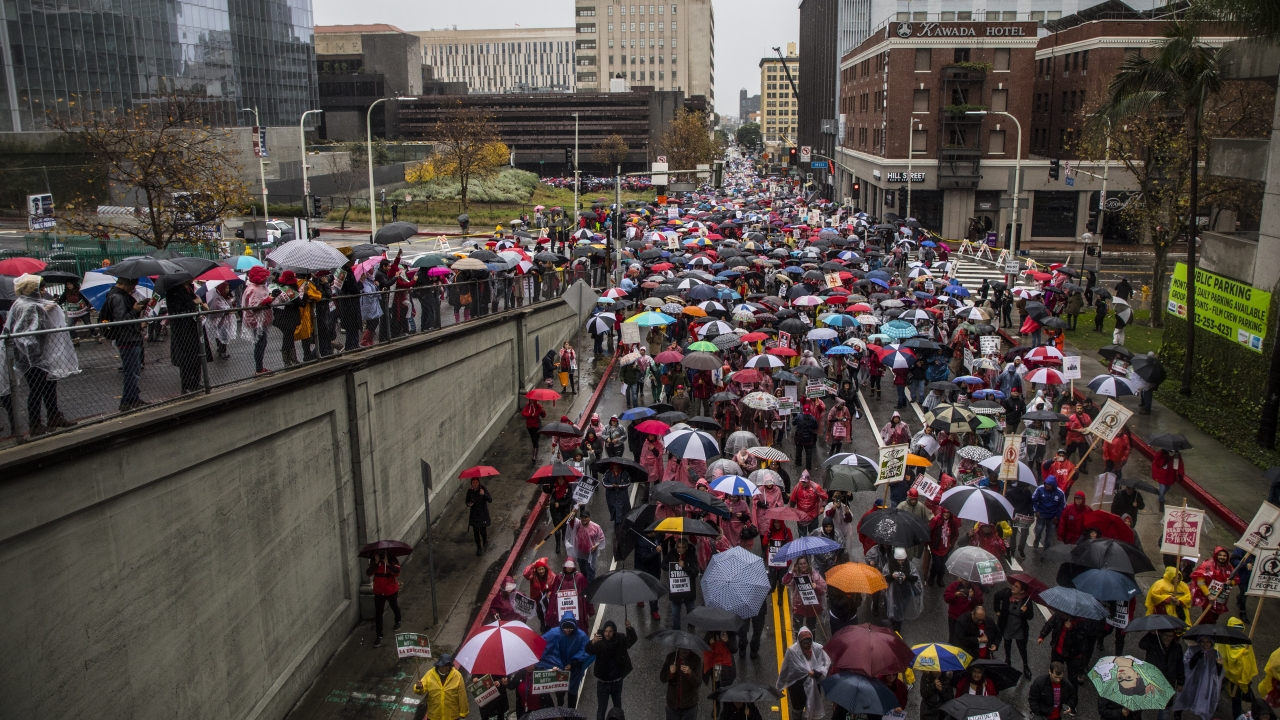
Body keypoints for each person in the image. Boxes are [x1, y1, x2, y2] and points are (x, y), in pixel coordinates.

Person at [4, 274, 76, 433]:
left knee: (50, 384)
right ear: (32, 290)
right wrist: (43, 311)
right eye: (41, 288)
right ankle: (35, 423)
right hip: (32, 357)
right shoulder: (29, 306)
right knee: (37, 389)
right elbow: (30, 332)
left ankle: (53, 416)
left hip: (37, 355)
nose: (44, 291)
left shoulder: (24, 304)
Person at [99, 276, 149, 410]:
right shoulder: (118, 298)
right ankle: (127, 401)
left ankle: (133, 398)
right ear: (126, 284)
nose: (133, 289)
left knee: (133, 370)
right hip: (127, 338)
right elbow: (122, 319)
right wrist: (135, 310)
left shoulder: (117, 295)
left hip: (129, 337)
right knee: (131, 371)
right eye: (132, 285)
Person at [775, 626, 830, 720]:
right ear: (799, 641)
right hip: (797, 686)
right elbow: (785, 669)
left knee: (812, 707)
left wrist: (816, 673)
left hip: (813, 685)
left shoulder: (818, 649)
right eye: (804, 642)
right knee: (797, 709)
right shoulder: (792, 652)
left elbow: (826, 664)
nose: (806, 644)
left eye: (808, 641)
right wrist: (780, 685)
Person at [538, 615, 593, 707]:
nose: (568, 630)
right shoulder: (554, 634)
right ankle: (561, 708)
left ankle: (570, 713)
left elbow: (586, 651)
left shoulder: (581, 636)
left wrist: (574, 663)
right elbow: (542, 646)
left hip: (574, 671)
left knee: (572, 695)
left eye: (570, 628)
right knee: (560, 694)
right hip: (560, 670)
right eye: (566, 628)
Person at [587, 619, 638, 720]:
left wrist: (630, 629)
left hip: (616, 682)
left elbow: (631, 641)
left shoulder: (620, 638)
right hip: (602, 683)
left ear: (614, 631)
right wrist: (593, 642)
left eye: (610, 631)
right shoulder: (599, 640)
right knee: (601, 710)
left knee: (617, 708)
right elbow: (588, 650)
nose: (607, 634)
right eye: (606, 631)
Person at [1171, 635, 1223, 720]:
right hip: (1192, 679)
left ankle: (1203, 714)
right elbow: (1186, 664)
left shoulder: (1215, 654)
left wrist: (1219, 665)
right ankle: (1178, 711)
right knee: (1186, 695)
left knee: (1203, 697)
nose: (1205, 645)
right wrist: (1194, 658)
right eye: (1202, 642)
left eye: (1207, 642)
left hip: (1206, 681)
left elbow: (1218, 674)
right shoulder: (1193, 650)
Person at [1216, 616, 1258, 719]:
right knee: (1218, 689)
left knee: (1236, 698)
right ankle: (1214, 704)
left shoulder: (1245, 643)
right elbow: (1223, 654)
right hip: (1226, 673)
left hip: (1237, 677)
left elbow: (1249, 660)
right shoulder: (1225, 640)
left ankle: (1237, 716)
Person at [995, 578, 1035, 678]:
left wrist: (1025, 611)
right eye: (1014, 585)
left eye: (1016, 587)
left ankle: (1025, 665)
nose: (1013, 587)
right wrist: (997, 610)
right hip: (1007, 624)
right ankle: (1008, 660)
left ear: (1022, 591)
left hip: (1019, 627)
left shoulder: (1026, 600)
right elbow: (996, 596)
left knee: (1021, 647)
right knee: (1007, 643)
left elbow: (1030, 617)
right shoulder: (1007, 592)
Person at [1189, 546, 1237, 626]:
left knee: (1214, 618)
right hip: (1208, 598)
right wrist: (1209, 595)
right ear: (1216, 555)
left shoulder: (1230, 567)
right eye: (1220, 555)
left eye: (1224, 556)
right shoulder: (1208, 565)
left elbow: (1236, 580)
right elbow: (1200, 582)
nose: (1222, 557)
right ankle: (1202, 633)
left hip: (1221, 599)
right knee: (1206, 618)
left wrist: (1231, 582)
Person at [413, 655, 469, 720]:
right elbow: (421, 691)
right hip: (434, 715)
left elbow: (462, 695)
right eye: (442, 666)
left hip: (451, 716)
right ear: (438, 665)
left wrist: (463, 712)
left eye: (447, 666)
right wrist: (418, 687)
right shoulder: (430, 674)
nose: (444, 668)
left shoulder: (457, 675)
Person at [1039, 611, 1089, 682]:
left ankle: (1071, 692)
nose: (1062, 615)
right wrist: (1042, 636)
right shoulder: (1059, 615)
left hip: (1073, 655)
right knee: (1054, 674)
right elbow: (1049, 624)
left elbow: (1080, 639)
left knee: (1072, 679)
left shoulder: (1082, 623)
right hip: (1057, 651)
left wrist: (1071, 629)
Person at [882, 546, 923, 632]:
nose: (900, 562)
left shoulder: (910, 565)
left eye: (902, 560)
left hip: (905, 593)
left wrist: (906, 577)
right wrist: (892, 577)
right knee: (893, 609)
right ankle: (893, 623)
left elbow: (915, 578)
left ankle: (897, 631)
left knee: (900, 612)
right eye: (898, 560)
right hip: (893, 593)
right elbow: (883, 578)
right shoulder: (889, 565)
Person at [543, 559, 593, 629]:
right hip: (562, 608)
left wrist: (589, 608)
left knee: (579, 626)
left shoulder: (580, 577)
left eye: (571, 565)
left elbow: (586, 593)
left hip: (578, 608)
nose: (569, 567)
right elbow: (555, 593)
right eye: (567, 565)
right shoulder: (559, 578)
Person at [366, 550, 402, 647]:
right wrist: (376, 563)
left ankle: (398, 619)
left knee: (394, 605)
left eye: (383, 554)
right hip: (378, 591)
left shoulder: (393, 560)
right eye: (380, 553)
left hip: (391, 590)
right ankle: (379, 635)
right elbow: (368, 573)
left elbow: (397, 572)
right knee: (378, 613)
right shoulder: (374, 561)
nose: (382, 555)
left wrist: (388, 564)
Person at [782, 556, 827, 632]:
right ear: (797, 565)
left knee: (811, 630)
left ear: (808, 563)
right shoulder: (795, 574)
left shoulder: (814, 574)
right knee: (797, 630)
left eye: (804, 563)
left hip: (812, 606)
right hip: (799, 607)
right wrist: (791, 571)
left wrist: (816, 587)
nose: (803, 566)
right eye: (800, 564)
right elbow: (785, 582)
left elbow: (823, 589)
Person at [664, 537, 699, 629]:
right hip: (676, 593)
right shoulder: (672, 554)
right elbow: (663, 565)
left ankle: (691, 626)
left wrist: (684, 567)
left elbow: (695, 572)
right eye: (678, 547)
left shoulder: (691, 556)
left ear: (686, 548)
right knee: (675, 613)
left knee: (690, 610)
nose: (680, 549)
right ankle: (676, 630)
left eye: (683, 547)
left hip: (688, 592)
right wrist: (673, 566)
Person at [660, 647, 703, 720]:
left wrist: (690, 673)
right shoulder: (671, 657)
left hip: (690, 705)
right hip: (673, 704)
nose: (684, 651)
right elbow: (662, 678)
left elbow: (698, 683)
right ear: (678, 647)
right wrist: (670, 673)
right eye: (682, 648)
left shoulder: (696, 659)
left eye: (687, 648)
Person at [567, 507, 606, 583]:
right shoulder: (578, 525)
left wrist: (596, 545)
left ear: (589, 517)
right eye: (582, 517)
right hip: (580, 553)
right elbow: (572, 521)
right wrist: (573, 512)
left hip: (590, 553)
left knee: (590, 571)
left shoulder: (596, 527)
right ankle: (584, 584)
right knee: (582, 570)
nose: (584, 519)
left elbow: (601, 537)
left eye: (586, 517)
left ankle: (589, 588)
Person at [928, 508, 962, 587]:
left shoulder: (952, 522)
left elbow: (955, 534)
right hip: (936, 547)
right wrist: (928, 544)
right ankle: (931, 577)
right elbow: (929, 531)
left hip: (946, 548)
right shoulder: (936, 520)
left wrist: (951, 543)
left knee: (943, 565)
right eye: (945, 513)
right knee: (936, 565)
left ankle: (940, 578)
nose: (946, 515)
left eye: (948, 513)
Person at [1032, 476, 1066, 553]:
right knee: (1038, 531)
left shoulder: (1060, 493)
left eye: (1049, 484)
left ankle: (1046, 551)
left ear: (1053, 485)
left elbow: (1062, 506)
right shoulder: (1040, 489)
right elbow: (1033, 500)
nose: (1047, 485)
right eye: (1046, 484)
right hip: (1041, 516)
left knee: (1049, 535)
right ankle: (1037, 540)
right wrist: (1036, 511)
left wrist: (1057, 516)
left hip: (1052, 518)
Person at [466, 477, 492, 556]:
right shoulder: (470, 491)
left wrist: (483, 494)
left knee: (483, 531)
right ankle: (478, 548)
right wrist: (469, 504)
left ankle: (485, 540)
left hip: (482, 514)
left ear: (479, 482)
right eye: (473, 482)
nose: (475, 484)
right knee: (476, 532)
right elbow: (467, 501)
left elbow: (490, 499)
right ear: (471, 483)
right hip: (474, 515)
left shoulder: (483, 489)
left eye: (476, 482)